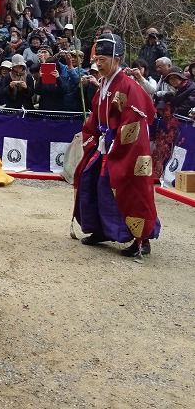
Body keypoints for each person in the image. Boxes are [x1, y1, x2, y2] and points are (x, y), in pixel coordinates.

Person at [73, 33, 160, 258]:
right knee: (90, 182)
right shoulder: (103, 84)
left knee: (130, 190)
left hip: (126, 147)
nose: (98, 63)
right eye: (97, 59)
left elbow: (135, 121)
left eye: (103, 59)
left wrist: (113, 141)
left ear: (117, 59)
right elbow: (96, 115)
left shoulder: (128, 86)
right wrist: (91, 134)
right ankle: (101, 230)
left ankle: (143, 238)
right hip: (105, 144)